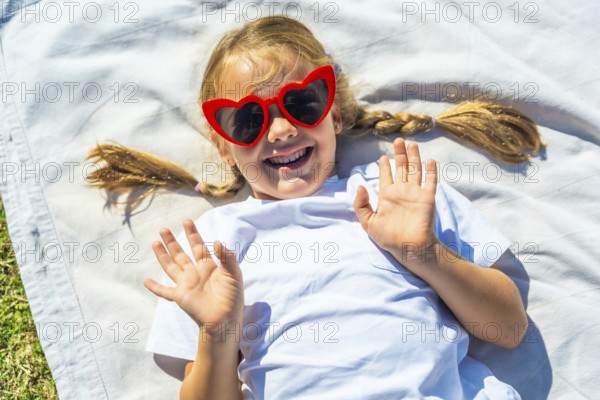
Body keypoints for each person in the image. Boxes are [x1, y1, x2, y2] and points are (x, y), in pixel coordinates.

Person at [86, 15, 544, 400]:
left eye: (302, 102)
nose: (282, 129)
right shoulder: (213, 243)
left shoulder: (400, 191)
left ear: (335, 115)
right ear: (225, 149)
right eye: (248, 119)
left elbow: (507, 329)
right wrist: (218, 334)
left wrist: (424, 254)